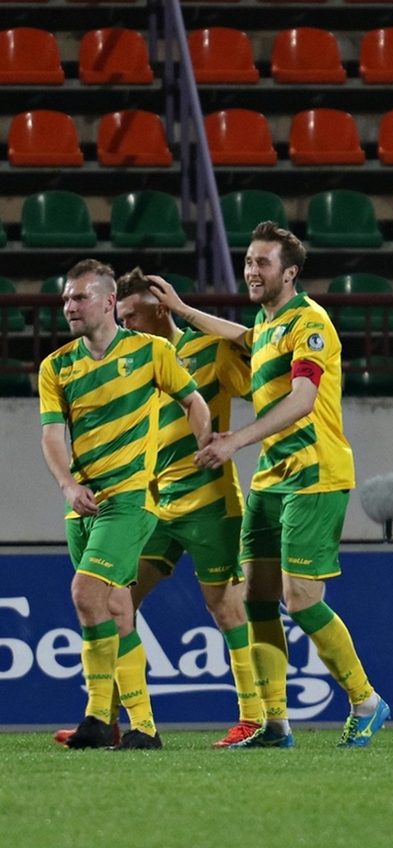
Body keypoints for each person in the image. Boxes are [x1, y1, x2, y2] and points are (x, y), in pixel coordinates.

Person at [147, 222, 388, 748]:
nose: (252, 271)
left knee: (300, 600)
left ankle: (366, 700)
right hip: (271, 478)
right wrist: (183, 310)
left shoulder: (311, 322)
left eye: (263, 263)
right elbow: (243, 337)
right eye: (248, 261)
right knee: (257, 599)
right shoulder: (268, 321)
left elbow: (303, 399)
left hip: (314, 474)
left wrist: (236, 440)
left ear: (290, 272)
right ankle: (276, 723)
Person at [52, 268, 263, 747]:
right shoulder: (127, 358)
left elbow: (262, 356)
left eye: (132, 314)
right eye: (121, 315)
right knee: (115, 603)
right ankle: (106, 719)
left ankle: (253, 717)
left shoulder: (208, 350)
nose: (125, 324)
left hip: (209, 503)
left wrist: (188, 312)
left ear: (160, 308)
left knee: (225, 608)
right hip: (151, 502)